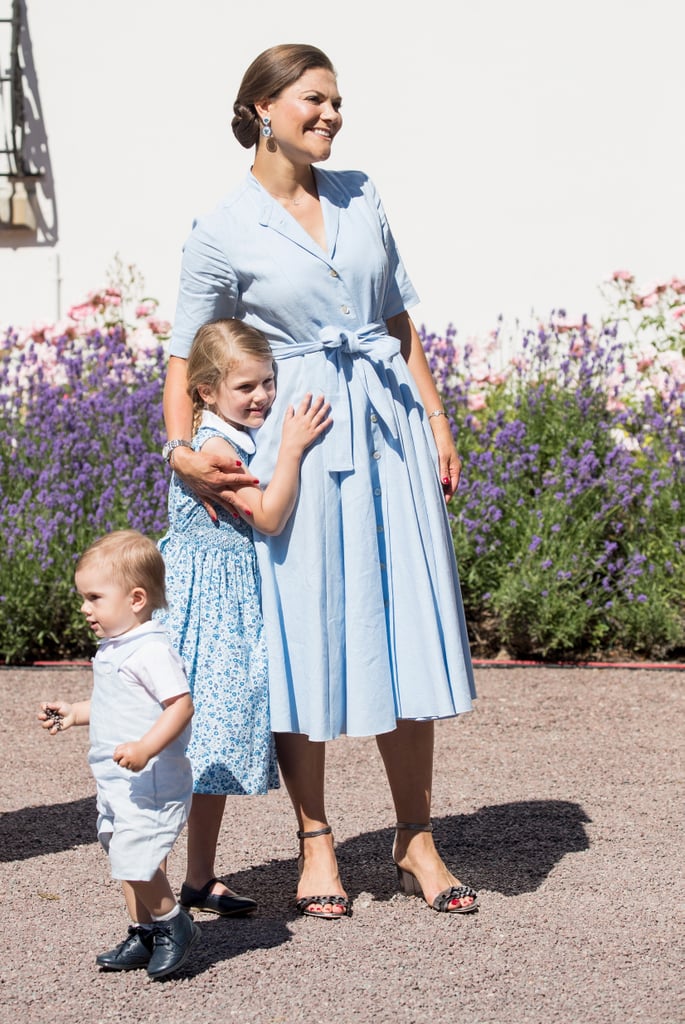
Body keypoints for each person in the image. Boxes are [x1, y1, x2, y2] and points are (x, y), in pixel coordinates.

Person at [163, 43, 478, 919]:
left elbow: (396, 316)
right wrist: (183, 450)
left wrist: (438, 419)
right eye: (315, 99)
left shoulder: (360, 193)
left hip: (389, 428)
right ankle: (315, 840)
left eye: (338, 101)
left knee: (405, 626)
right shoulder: (222, 225)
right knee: (304, 636)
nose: (332, 114)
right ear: (262, 107)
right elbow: (184, 350)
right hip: (296, 437)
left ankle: (415, 836)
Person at [155, 317, 331, 917]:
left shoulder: (223, 431)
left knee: (214, 745)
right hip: (207, 605)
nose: (262, 397)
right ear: (205, 392)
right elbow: (269, 515)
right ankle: (149, 882)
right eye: (246, 387)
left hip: (229, 599)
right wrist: (295, 448)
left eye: (269, 382)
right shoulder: (215, 447)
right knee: (187, 745)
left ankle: (198, 877)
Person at [38, 530, 200, 978]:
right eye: (82, 597)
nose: (84, 608)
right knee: (119, 849)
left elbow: (181, 704)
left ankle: (174, 923)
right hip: (117, 778)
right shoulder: (115, 647)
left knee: (136, 854)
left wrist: (148, 747)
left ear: (135, 598)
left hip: (148, 777)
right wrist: (75, 712)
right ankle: (143, 931)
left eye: (93, 597)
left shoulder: (150, 649)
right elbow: (115, 704)